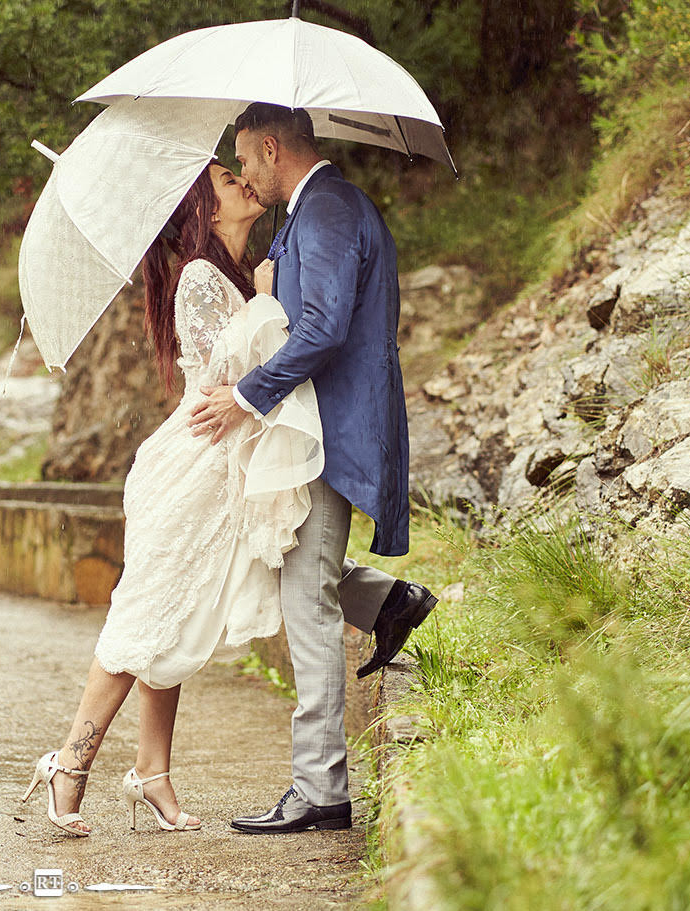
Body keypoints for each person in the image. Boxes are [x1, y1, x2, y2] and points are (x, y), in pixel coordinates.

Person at [23, 159, 324, 837]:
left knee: (174, 615)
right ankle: (69, 764)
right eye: (224, 179)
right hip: (192, 467)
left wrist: (266, 291)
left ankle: (151, 772)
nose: (242, 181)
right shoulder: (199, 277)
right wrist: (272, 300)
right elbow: (229, 375)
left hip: (217, 470)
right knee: (143, 621)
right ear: (203, 212)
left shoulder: (234, 275)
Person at [189, 102, 438, 834]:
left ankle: (321, 789)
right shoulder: (311, 211)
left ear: (272, 148)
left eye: (246, 160)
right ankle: (394, 601)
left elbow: (324, 330)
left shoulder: (326, 207)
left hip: (329, 434)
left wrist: (242, 396)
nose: (245, 176)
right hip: (317, 430)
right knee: (303, 576)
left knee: (306, 598)